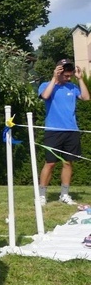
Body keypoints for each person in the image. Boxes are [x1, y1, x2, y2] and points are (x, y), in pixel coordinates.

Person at [37, 58, 90, 206]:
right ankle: (41, 196)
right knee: (50, 163)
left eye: (70, 75)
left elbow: (86, 98)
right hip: (53, 131)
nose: (68, 77)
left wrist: (79, 79)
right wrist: (54, 78)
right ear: (58, 71)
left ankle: (64, 195)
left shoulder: (72, 87)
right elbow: (45, 96)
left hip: (71, 131)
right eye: (66, 75)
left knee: (68, 163)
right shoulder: (46, 85)